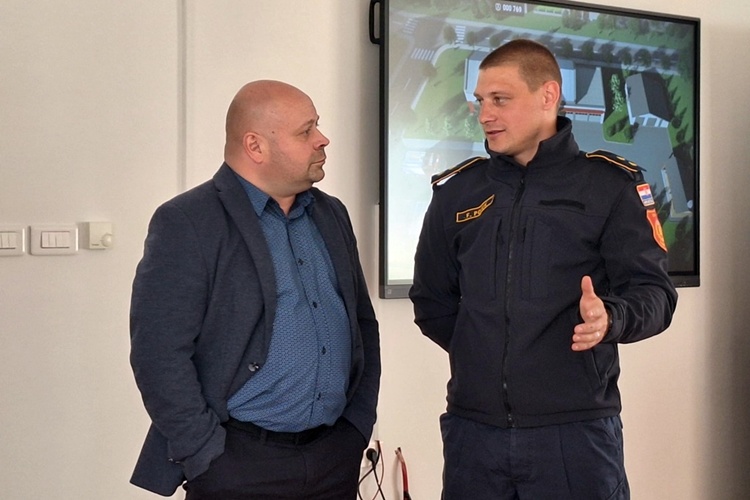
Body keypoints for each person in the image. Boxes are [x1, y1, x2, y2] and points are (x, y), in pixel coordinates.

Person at [409, 39, 678, 499]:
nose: (485, 115)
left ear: (548, 96)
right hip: (474, 433)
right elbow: (432, 302)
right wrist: (485, 350)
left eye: (500, 99)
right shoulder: (457, 191)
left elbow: (655, 295)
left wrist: (610, 319)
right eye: (480, 101)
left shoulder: (610, 185)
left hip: (575, 434)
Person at [129, 80, 380, 499]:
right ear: (255, 146)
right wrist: (204, 453)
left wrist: (358, 424)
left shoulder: (331, 214)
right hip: (237, 464)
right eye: (306, 131)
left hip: (334, 457)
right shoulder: (188, 221)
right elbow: (159, 354)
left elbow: (361, 325)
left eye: (317, 126)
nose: (322, 139)